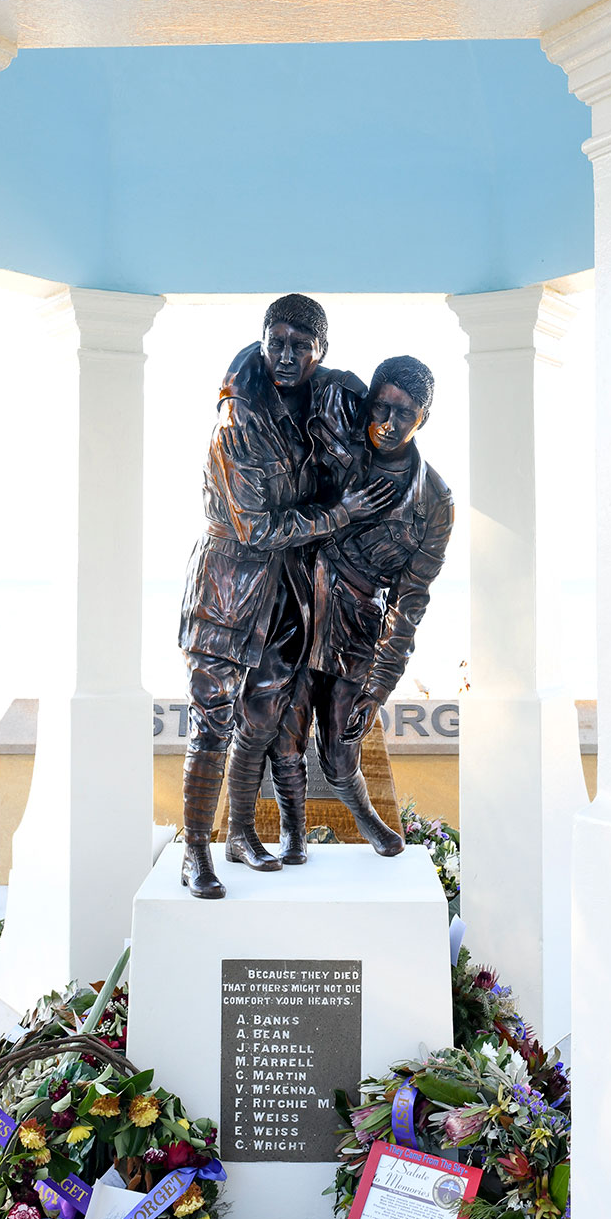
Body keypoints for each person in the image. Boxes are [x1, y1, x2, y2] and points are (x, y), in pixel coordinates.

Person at [177, 295, 396, 899]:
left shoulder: (325, 401)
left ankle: (242, 834)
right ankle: (196, 851)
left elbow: (373, 444)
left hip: (290, 590)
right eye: (278, 341)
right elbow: (255, 526)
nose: (286, 354)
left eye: (302, 344)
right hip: (230, 585)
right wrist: (337, 514)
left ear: (321, 349)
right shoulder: (237, 421)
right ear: (263, 338)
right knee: (212, 723)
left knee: (264, 718)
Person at [274, 354, 453, 856]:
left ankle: (365, 816)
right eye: (380, 407)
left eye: (405, 413)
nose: (388, 423)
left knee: (340, 747)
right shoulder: (341, 448)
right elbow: (309, 383)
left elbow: (411, 600)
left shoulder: (435, 502)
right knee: (284, 729)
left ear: (423, 419)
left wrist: (378, 686)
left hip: (358, 625)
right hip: (299, 601)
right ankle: (293, 834)